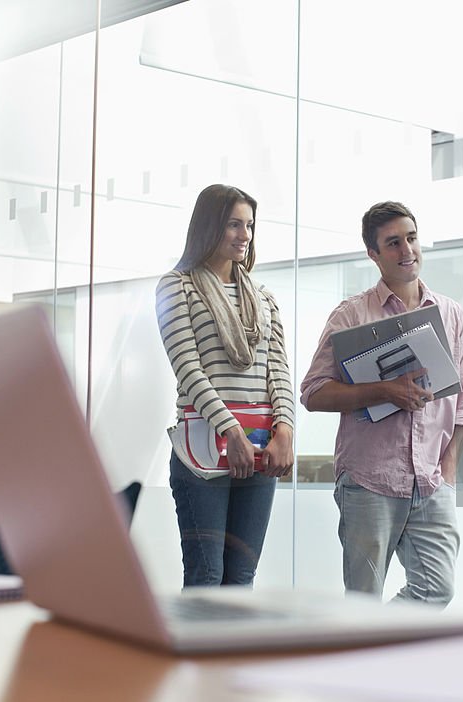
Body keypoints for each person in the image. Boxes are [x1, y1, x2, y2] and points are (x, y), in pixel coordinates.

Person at [301, 201, 463, 606]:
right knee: (363, 600)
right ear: (373, 255)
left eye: (411, 238)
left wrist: (449, 467)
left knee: (437, 589)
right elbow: (313, 392)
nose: (406, 251)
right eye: (393, 243)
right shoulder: (351, 315)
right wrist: (383, 390)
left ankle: (380, 650)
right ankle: (364, 660)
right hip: (369, 480)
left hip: (432, 480)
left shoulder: (452, 315)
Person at [155, 184, 294, 588]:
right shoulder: (176, 286)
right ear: (209, 226)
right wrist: (229, 430)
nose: (244, 235)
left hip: (261, 447)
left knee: (242, 578)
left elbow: (278, 371)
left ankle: (233, 655)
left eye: (249, 225)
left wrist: (285, 429)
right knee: (206, 575)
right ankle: (195, 654)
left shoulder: (264, 298)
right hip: (204, 449)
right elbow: (188, 369)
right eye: (234, 224)